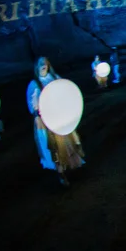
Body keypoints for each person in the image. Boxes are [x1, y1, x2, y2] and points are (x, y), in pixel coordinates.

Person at [27, 57, 85, 187]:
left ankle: (71, 170)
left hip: (60, 118)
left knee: (68, 144)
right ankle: (61, 175)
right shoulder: (34, 84)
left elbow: (65, 93)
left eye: (45, 63)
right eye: (41, 63)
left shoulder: (55, 78)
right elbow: (33, 106)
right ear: (36, 67)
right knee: (54, 149)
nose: (44, 65)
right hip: (47, 122)